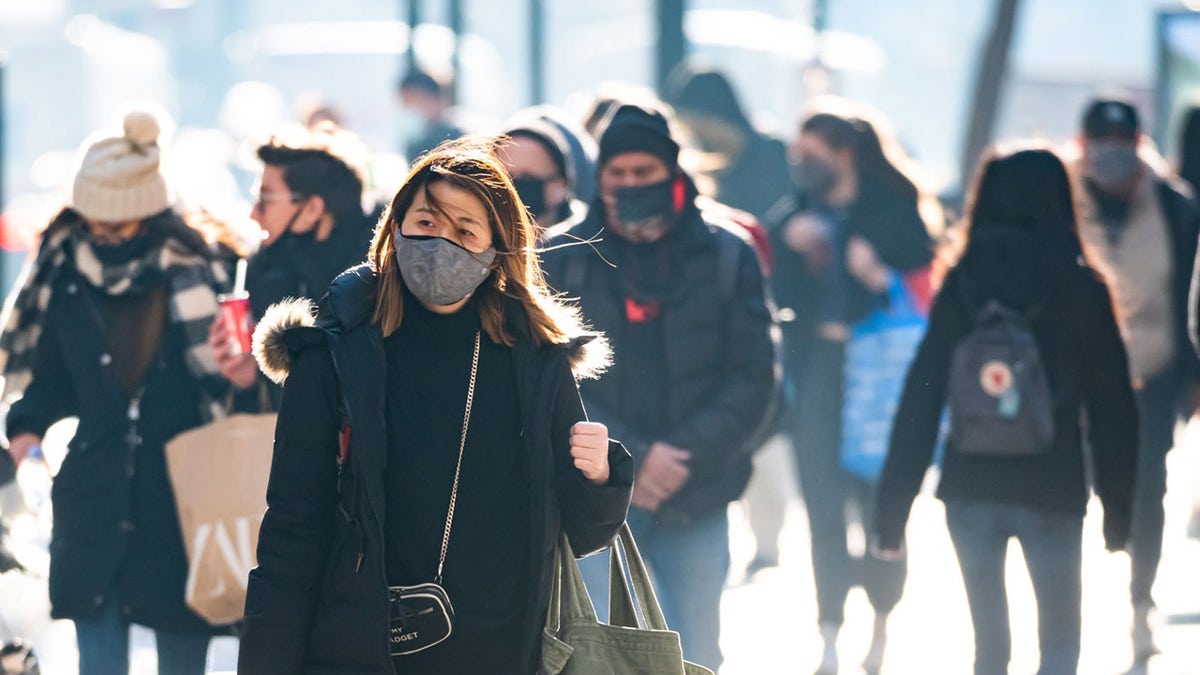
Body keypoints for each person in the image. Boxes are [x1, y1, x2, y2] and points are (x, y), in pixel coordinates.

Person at [236, 138, 633, 674]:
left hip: (498, 648)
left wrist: (601, 475)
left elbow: (582, 534)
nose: (440, 243)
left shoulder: (533, 358)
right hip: (359, 646)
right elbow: (291, 531)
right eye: (425, 223)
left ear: (497, 248)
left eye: (465, 230)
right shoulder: (333, 352)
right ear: (394, 229)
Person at [874, 147, 1139, 675]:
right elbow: (1114, 408)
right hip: (1054, 484)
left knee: (989, 651)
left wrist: (892, 511)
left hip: (970, 484)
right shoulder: (1083, 286)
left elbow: (920, 398)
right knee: (1060, 646)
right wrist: (1119, 510)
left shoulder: (963, 284)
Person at [541, 102, 778, 671]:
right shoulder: (563, 255)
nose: (628, 185)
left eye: (642, 173)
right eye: (616, 175)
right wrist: (635, 458)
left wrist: (681, 456)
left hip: (696, 492)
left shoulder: (727, 252)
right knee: (602, 656)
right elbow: (548, 376)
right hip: (595, 498)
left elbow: (755, 375)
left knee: (694, 653)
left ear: (673, 171)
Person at [0, 111, 235, 674]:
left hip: (181, 502)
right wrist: (25, 428)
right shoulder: (66, 270)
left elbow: (227, 391)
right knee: (98, 664)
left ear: (148, 214)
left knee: (183, 662)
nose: (101, 236)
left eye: (117, 226)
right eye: (92, 223)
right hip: (94, 499)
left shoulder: (198, 271)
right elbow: (52, 378)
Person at [770, 108, 936, 675]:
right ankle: (831, 635)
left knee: (882, 510)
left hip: (881, 377)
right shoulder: (795, 215)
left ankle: (882, 624)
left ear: (845, 153)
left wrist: (874, 274)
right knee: (822, 511)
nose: (802, 165)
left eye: (812, 153)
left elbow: (921, 280)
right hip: (818, 372)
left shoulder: (894, 210)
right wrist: (791, 248)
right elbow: (770, 290)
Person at [1067, 97, 1200, 663]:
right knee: (1078, 488)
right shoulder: (1059, 196)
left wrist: (1194, 376)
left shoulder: (1176, 207)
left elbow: (1189, 300)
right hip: (1075, 373)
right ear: (1083, 144)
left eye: (1122, 145)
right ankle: (1065, 607)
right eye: (1101, 144)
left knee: (1149, 490)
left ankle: (1139, 604)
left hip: (1153, 371)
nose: (1111, 156)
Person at [665, 63, 795, 577]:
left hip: (755, 304)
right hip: (725, 308)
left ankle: (767, 543)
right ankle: (761, 541)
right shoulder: (754, 153)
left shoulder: (761, 154)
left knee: (762, 422)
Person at [209, 122, 374, 411]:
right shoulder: (264, 271)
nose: (253, 213)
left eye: (264, 199)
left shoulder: (377, 275)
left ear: (312, 208)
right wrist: (248, 377)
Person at [495, 117, 586, 240]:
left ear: (561, 185)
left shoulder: (588, 247)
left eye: (527, 178)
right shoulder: (474, 244)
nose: (511, 187)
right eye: (502, 176)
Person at [397, 68, 463, 162]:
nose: (411, 109)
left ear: (438, 99)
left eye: (418, 100)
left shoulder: (457, 138)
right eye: (406, 102)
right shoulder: (414, 142)